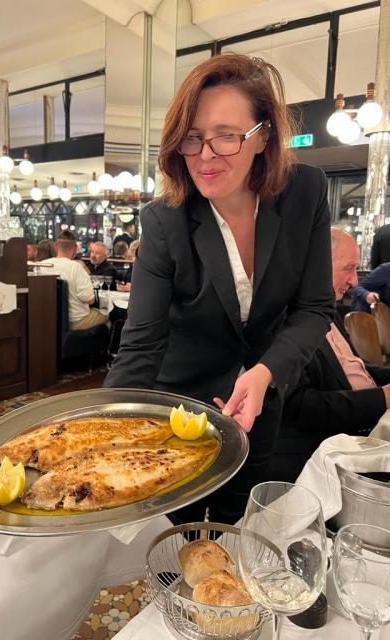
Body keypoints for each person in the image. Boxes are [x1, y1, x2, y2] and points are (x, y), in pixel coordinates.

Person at [104, 53, 334, 523]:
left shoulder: (305, 192)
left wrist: (266, 371)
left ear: (263, 136)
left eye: (227, 136)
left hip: (260, 405)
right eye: (192, 138)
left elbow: (314, 308)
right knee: (175, 535)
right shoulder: (165, 220)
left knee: (238, 526)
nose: (205, 156)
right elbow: (141, 345)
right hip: (180, 413)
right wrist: (102, 430)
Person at [274, 228, 390, 482]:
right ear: (316, 265)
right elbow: (301, 406)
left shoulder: (327, 307)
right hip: (329, 449)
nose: (355, 281)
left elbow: (353, 366)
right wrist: (382, 398)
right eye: (348, 268)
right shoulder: (284, 318)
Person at [42, 231, 107, 331]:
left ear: (56, 246)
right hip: (76, 321)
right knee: (107, 315)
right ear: (76, 248)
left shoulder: (42, 265)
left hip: (50, 319)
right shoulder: (77, 267)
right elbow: (89, 300)